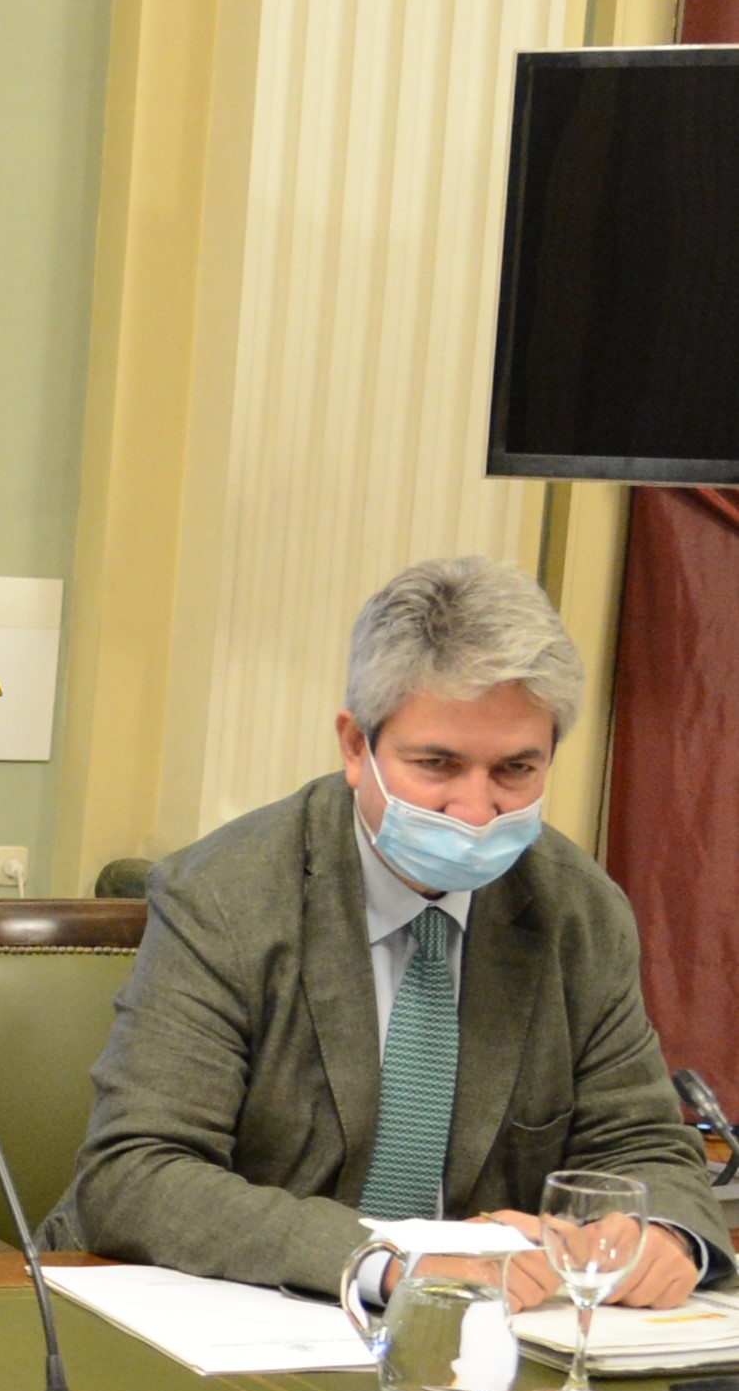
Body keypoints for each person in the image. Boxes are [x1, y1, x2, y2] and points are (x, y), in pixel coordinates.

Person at [53, 555, 727, 1302]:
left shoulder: (579, 911)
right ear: (355, 746)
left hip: (487, 1335)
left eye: (514, 770)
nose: (474, 811)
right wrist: (386, 1261)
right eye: (436, 763)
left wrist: (663, 1235)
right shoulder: (225, 895)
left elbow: (644, 1147)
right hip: (234, 1313)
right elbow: (135, 1174)